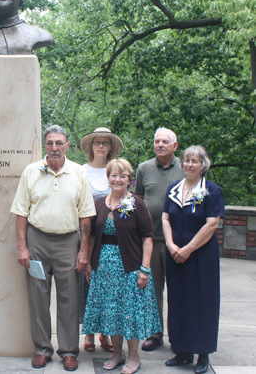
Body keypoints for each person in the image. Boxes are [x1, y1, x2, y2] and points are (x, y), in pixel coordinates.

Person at [10, 125, 96, 372]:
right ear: (44, 146)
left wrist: (84, 250)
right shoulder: (31, 171)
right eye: (50, 143)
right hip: (37, 241)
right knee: (38, 296)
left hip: (68, 241)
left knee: (69, 297)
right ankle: (42, 350)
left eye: (59, 143)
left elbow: (86, 215)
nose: (54, 148)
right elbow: (20, 213)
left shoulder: (78, 172)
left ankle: (69, 351)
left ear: (67, 146)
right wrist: (22, 247)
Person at [82, 159, 160, 374]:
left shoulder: (137, 204)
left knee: (130, 314)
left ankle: (134, 357)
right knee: (112, 313)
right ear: (107, 178)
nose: (117, 179)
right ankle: (117, 354)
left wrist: (144, 269)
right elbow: (93, 235)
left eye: (122, 175)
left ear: (129, 180)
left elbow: (147, 238)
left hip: (131, 268)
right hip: (104, 269)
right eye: (113, 175)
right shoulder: (99, 204)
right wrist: (88, 262)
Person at [162, 146, 224, 374]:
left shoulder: (212, 190)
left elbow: (212, 224)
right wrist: (170, 245)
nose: (189, 164)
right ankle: (182, 351)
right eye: (186, 160)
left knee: (201, 302)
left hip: (200, 256)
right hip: (175, 254)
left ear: (203, 165)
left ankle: (202, 354)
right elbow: (165, 218)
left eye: (194, 161)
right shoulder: (173, 189)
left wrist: (187, 249)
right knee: (178, 299)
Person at [134, 127, 184, 351]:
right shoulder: (143, 168)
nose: (160, 145)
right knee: (153, 291)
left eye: (165, 141)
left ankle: (180, 335)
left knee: (178, 290)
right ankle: (155, 334)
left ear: (175, 146)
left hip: (178, 241)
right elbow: (138, 200)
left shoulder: (187, 168)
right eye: (157, 141)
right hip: (151, 239)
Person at [78, 127, 123, 353]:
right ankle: (89, 332)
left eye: (106, 142)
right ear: (91, 146)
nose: (102, 146)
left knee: (107, 286)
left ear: (110, 147)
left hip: (109, 238)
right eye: (98, 142)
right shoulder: (81, 171)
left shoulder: (115, 170)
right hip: (86, 234)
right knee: (86, 284)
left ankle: (106, 333)